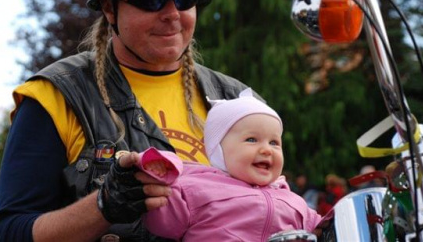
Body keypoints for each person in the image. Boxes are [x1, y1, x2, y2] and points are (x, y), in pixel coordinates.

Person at [0, 0, 260, 242]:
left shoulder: (236, 99)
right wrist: (102, 207)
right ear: (109, 8)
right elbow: (7, 234)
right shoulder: (56, 95)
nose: (172, 14)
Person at [134, 88, 322, 240]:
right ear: (218, 149)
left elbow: (324, 229)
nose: (267, 150)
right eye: (251, 139)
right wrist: (159, 171)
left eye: (274, 142)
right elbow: (160, 223)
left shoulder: (293, 200)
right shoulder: (195, 189)